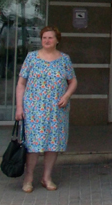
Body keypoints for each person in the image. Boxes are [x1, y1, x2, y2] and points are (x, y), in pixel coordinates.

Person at [15, 26, 77, 193]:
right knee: (34, 144)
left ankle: (46, 177)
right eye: (44, 38)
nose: (47, 41)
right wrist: (19, 107)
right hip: (34, 109)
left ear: (57, 40)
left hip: (57, 109)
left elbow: (73, 81)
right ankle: (28, 178)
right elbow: (21, 83)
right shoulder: (32, 58)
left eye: (50, 38)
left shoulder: (64, 59)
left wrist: (67, 95)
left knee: (53, 144)